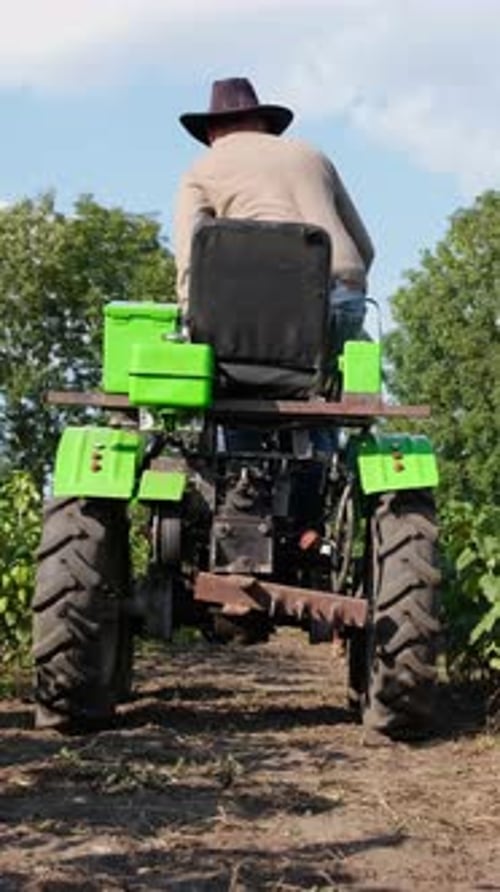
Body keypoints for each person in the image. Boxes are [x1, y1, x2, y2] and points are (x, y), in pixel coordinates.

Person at [173, 76, 374, 352]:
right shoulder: (314, 156)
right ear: (264, 125)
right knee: (343, 355)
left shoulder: (201, 168)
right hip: (341, 302)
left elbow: (189, 256)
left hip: (257, 315)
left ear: (211, 133)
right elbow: (365, 248)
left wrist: (190, 321)